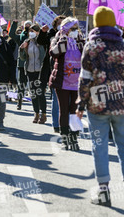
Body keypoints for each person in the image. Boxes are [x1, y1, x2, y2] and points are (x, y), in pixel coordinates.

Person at [76, 6, 124, 207]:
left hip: (97, 105)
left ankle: (104, 192)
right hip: (122, 103)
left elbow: (85, 78)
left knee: (99, 146)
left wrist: (80, 102)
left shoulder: (91, 46)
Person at [49, 17, 84, 150]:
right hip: (62, 81)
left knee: (74, 111)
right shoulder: (57, 39)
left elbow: (87, 55)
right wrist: (63, 39)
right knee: (64, 110)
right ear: (65, 29)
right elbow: (54, 53)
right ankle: (65, 138)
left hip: (78, 82)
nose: (75, 31)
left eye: (76, 28)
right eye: (72, 29)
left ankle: (74, 138)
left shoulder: (81, 40)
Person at [38, 16, 65, 133]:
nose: (61, 25)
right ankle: (56, 124)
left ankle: (64, 123)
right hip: (52, 69)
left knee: (66, 100)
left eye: (63, 23)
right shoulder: (52, 35)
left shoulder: (71, 36)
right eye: (59, 23)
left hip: (67, 71)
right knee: (55, 98)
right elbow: (41, 41)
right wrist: (42, 32)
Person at [19, 24, 47, 124]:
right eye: (30, 31)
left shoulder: (41, 43)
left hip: (40, 71)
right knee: (33, 93)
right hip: (30, 70)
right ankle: (36, 113)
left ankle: (43, 114)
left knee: (40, 93)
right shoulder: (27, 42)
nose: (31, 33)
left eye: (33, 31)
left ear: (38, 32)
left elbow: (44, 55)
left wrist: (40, 45)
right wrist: (22, 49)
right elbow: (22, 58)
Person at [9, 21, 30, 110]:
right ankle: (19, 102)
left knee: (35, 84)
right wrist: (14, 24)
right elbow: (11, 34)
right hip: (22, 64)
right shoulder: (20, 38)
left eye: (30, 26)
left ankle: (38, 106)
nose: (28, 28)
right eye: (26, 26)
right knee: (21, 84)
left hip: (34, 64)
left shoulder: (36, 38)